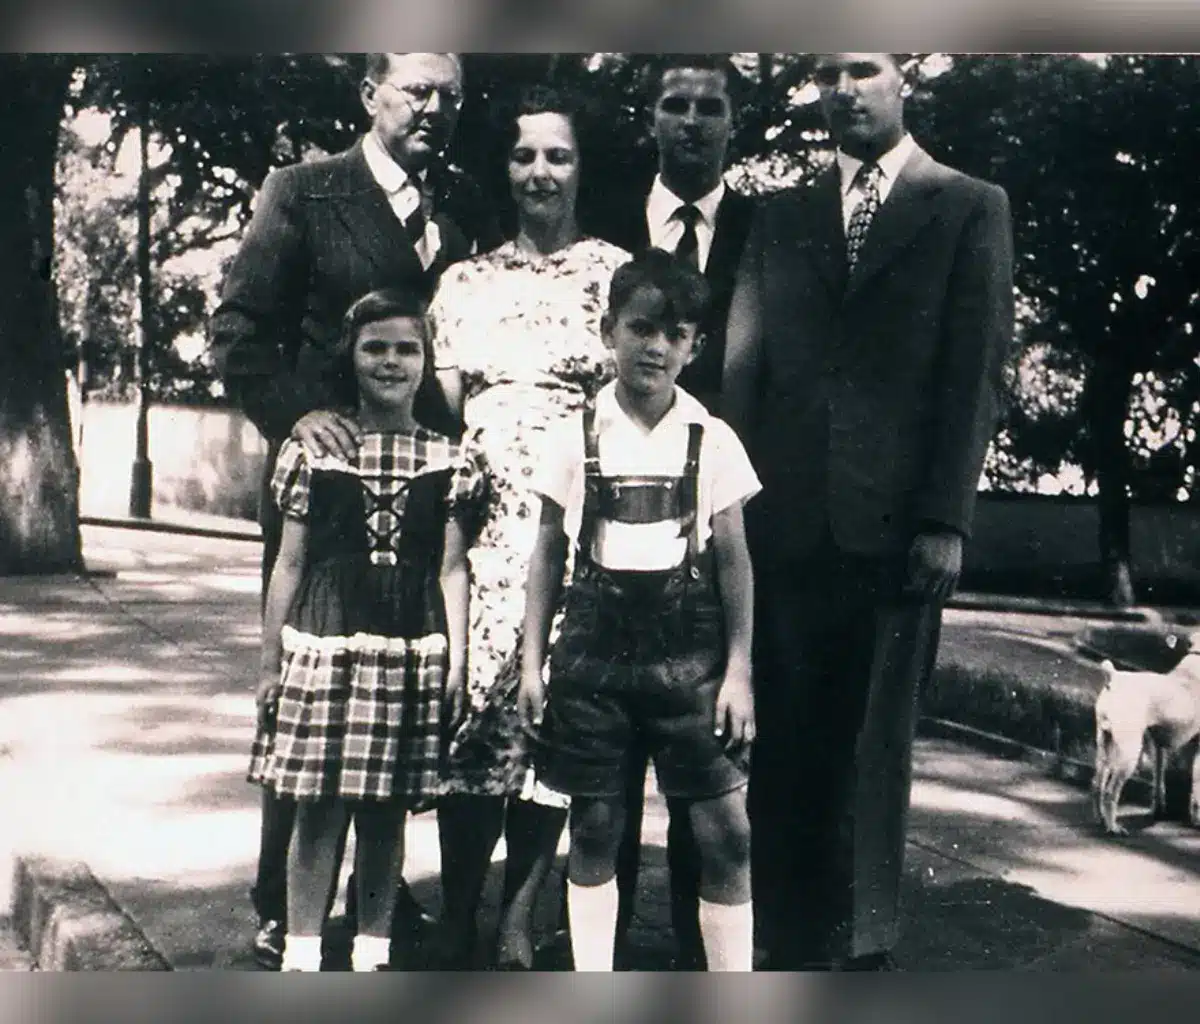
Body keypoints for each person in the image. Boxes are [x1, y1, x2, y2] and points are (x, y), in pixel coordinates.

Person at [722, 53, 1014, 970]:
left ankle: (861, 944)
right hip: (781, 526)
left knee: (874, 747)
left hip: (898, 535)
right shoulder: (781, 215)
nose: (843, 89)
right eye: (827, 75)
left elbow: (978, 376)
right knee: (781, 748)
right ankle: (779, 942)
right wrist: (725, 510)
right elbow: (742, 370)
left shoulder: (969, 206)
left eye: (864, 68)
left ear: (902, 83)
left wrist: (945, 519)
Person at [211, 52, 501, 970]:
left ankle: (385, 903)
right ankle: (280, 901)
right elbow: (239, 332)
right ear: (368, 94)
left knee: (408, 696)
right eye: (417, 89)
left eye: (451, 94)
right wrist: (300, 419)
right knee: (311, 690)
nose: (435, 107)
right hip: (328, 492)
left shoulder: (464, 208)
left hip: (427, 485)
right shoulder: (303, 190)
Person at [427, 84, 630, 970]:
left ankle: (517, 918)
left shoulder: (616, 275)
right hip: (480, 543)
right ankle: (459, 910)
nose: (539, 171)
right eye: (523, 155)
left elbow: (632, 409)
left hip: (575, 537)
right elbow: (447, 417)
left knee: (553, 731)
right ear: (502, 170)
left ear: (582, 168)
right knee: (474, 727)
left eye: (558, 154)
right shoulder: (462, 283)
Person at [520, 249, 760, 973]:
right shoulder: (575, 434)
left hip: (692, 663)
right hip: (593, 658)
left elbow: (734, 562)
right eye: (641, 326)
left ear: (695, 347)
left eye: (676, 332)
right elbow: (546, 555)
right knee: (595, 825)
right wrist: (533, 663)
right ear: (608, 331)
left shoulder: (711, 438)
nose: (656, 345)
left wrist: (739, 670)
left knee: (726, 831)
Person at [248, 287, 487, 972]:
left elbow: (451, 570)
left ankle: (372, 952)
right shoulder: (315, 452)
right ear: (350, 356)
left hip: (409, 651)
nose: (391, 362)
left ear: (427, 360)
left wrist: (457, 663)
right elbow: (289, 563)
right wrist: (270, 665)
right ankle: (300, 951)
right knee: (317, 810)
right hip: (326, 649)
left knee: (384, 813)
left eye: (406, 349)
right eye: (375, 347)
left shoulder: (449, 460)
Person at [597, 53, 755, 970]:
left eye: (711, 107)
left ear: (733, 123)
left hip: (721, 515)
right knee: (604, 783)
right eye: (675, 105)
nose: (692, 121)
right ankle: (601, 963)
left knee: (709, 779)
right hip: (615, 536)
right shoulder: (603, 225)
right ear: (651, 118)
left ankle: (706, 971)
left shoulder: (770, 230)